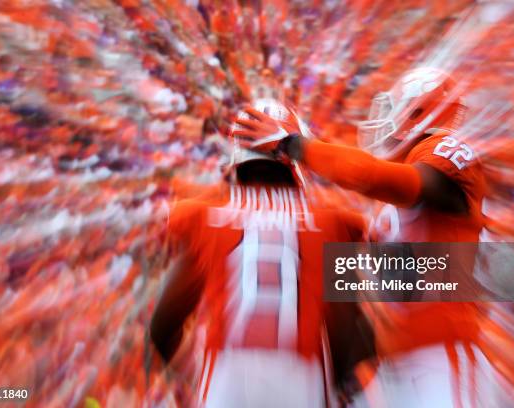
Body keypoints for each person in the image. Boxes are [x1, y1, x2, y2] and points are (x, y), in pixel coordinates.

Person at [234, 67, 492, 406]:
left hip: (441, 357)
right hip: (396, 364)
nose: (384, 120)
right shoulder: (391, 204)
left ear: (418, 112)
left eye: (393, 108)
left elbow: (375, 177)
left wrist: (294, 146)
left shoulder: (446, 154)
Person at [151, 98, 374, 407]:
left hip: (226, 377)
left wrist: (195, 371)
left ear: (237, 160)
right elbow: (347, 329)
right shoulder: (332, 224)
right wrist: (340, 386)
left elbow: (162, 326)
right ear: (293, 162)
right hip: (301, 377)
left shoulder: (205, 218)